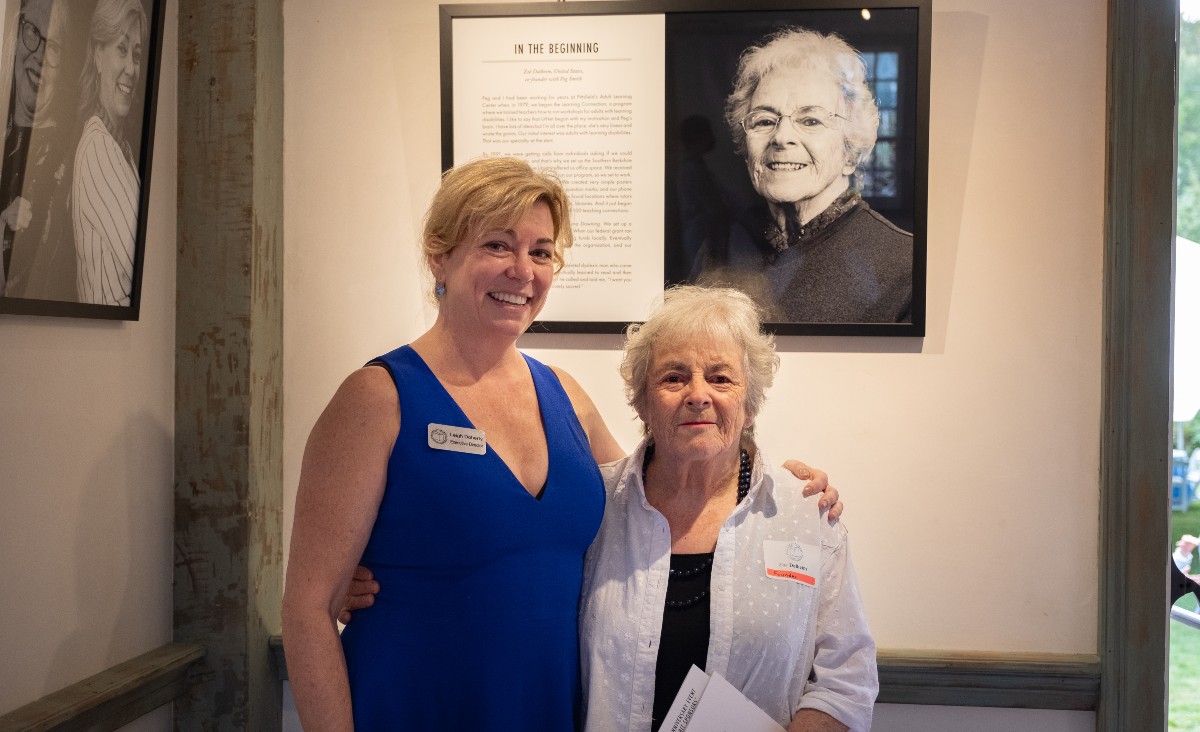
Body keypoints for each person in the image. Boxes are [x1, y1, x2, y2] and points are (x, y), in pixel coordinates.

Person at [283, 157, 842, 730]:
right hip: (416, 703)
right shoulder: (378, 399)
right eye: (498, 245)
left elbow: (658, 488)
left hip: (548, 708)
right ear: (439, 254)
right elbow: (307, 611)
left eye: (541, 251)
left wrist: (771, 485)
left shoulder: (564, 397)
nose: (522, 270)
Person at [579, 285, 876, 731]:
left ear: (749, 402)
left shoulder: (804, 516)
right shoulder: (592, 507)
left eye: (720, 378)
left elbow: (847, 678)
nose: (699, 394)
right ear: (642, 401)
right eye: (674, 377)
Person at [694, 26, 913, 325]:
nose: (782, 137)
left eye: (810, 120)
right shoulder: (718, 247)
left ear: (850, 150)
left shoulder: (904, 262)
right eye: (765, 120)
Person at [0, 0, 75, 300]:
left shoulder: (60, 156)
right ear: (14, 35)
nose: (40, 57)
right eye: (32, 31)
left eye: (54, 47)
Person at [72, 0, 144, 306]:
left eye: (137, 55)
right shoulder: (99, 148)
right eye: (121, 49)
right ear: (98, 55)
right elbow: (145, 269)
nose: (131, 68)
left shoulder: (121, 149)